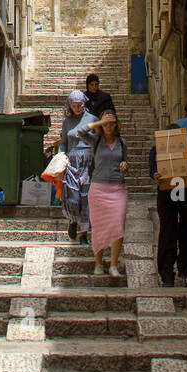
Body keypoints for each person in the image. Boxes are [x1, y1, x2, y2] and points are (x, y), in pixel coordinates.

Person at [149, 128, 187, 286]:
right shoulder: (159, 148)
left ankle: (179, 268)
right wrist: (155, 175)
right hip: (172, 190)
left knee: (181, 227)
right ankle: (169, 270)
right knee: (170, 228)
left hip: (181, 189)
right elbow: (152, 167)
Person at [84, 109, 128, 279]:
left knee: (118, 224)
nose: (109, 126)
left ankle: (113, 265)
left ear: (116, 124)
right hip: (98, 189)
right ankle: (98, 263)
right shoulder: (95, 140)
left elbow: (124, 160)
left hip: (118, 188)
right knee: (98, 226)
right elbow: (80, 131)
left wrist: (125, 165)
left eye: (111, 122)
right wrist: (99, 123)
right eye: (106, 123)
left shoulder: (122, 143)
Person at [57, 89, 98, 244]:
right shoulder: (67, 122)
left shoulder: (92, 119)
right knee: (73, 197)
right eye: (74, 106)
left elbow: (97, 141)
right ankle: (73, 221)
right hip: (71, 162)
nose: (77, 108)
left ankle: (84, 234)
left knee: (86, 198)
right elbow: (63, 143)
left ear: (84, 103)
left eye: (80, 105)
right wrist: (60, 158)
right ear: (69, 105)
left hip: (88, 163)